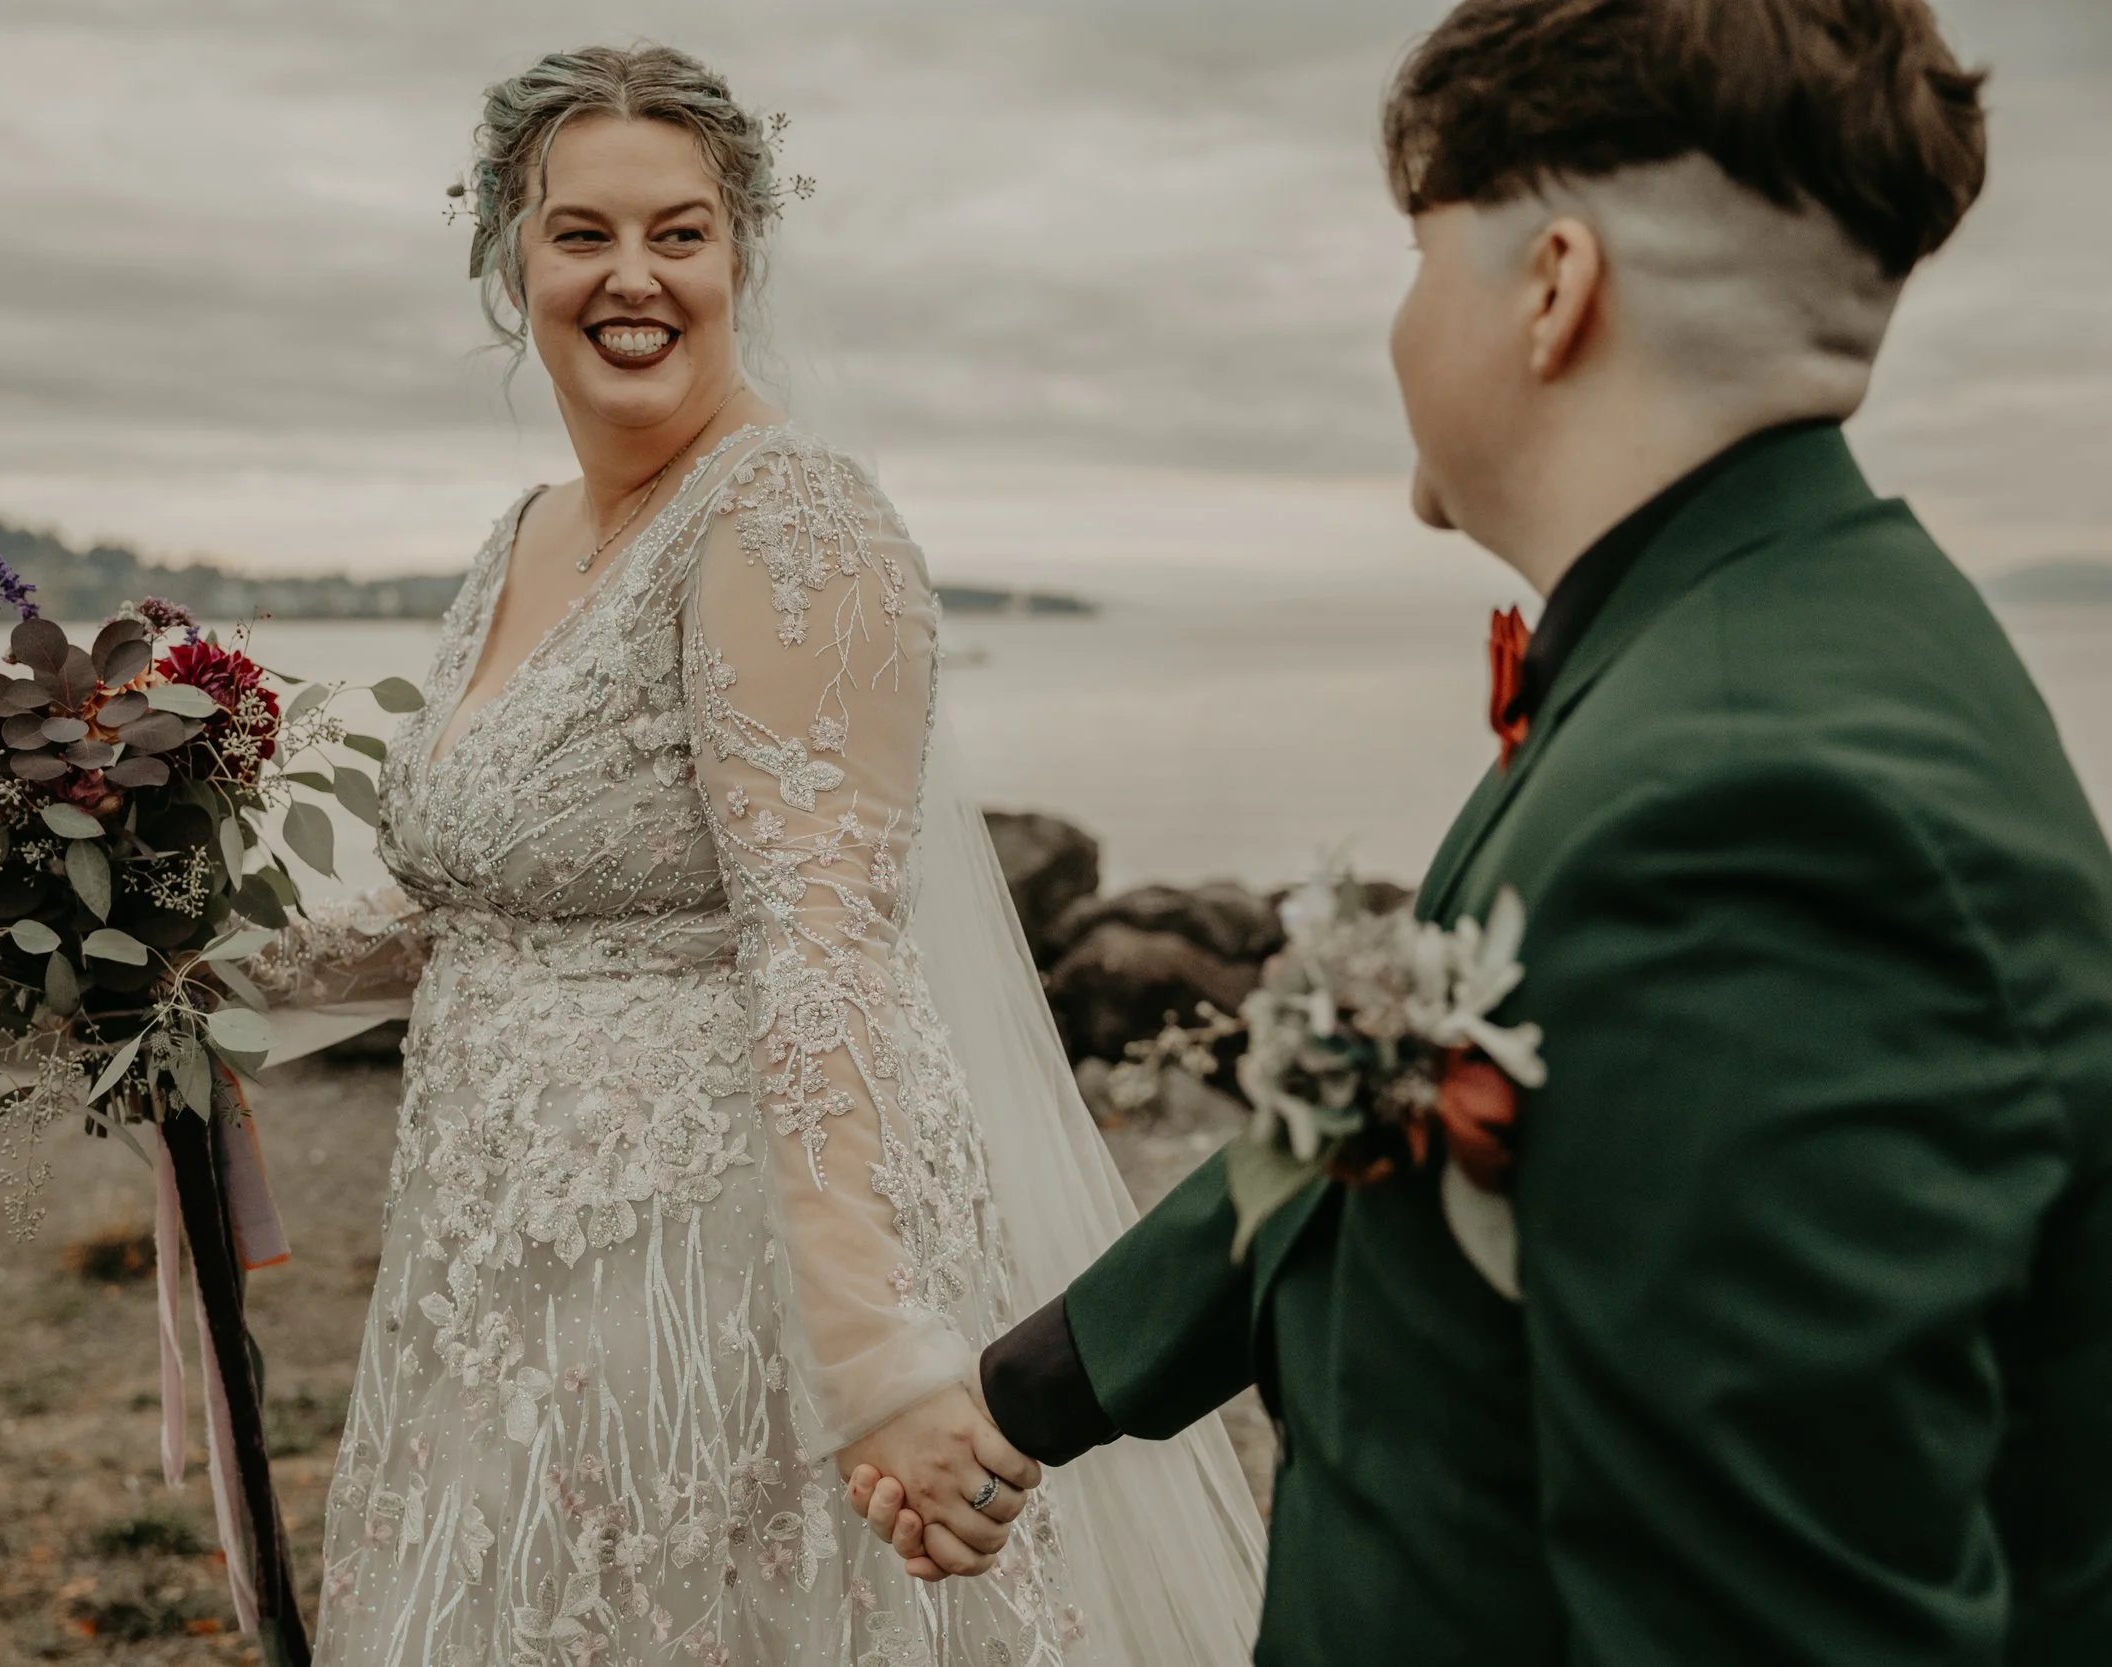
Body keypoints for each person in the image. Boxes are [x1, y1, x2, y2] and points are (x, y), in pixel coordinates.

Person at [853, 1, 2112, 1661]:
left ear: (1553, 287)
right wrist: (1034, 1389)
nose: (1397, 324)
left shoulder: (1752, 811)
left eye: (1418, 253)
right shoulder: (1731, 652)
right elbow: (1400, 1129)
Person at [257, 43, 1265, 1664]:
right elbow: (475, 902)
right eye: (581, 232)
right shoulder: (520, 537)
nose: (633, 276)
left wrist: (872, 1352)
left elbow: (827, 948)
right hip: (498, 1268)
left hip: (719, 1280)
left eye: (682, 232)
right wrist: (164, 960)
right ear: (508, 261)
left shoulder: (788, 522)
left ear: (742, 259)